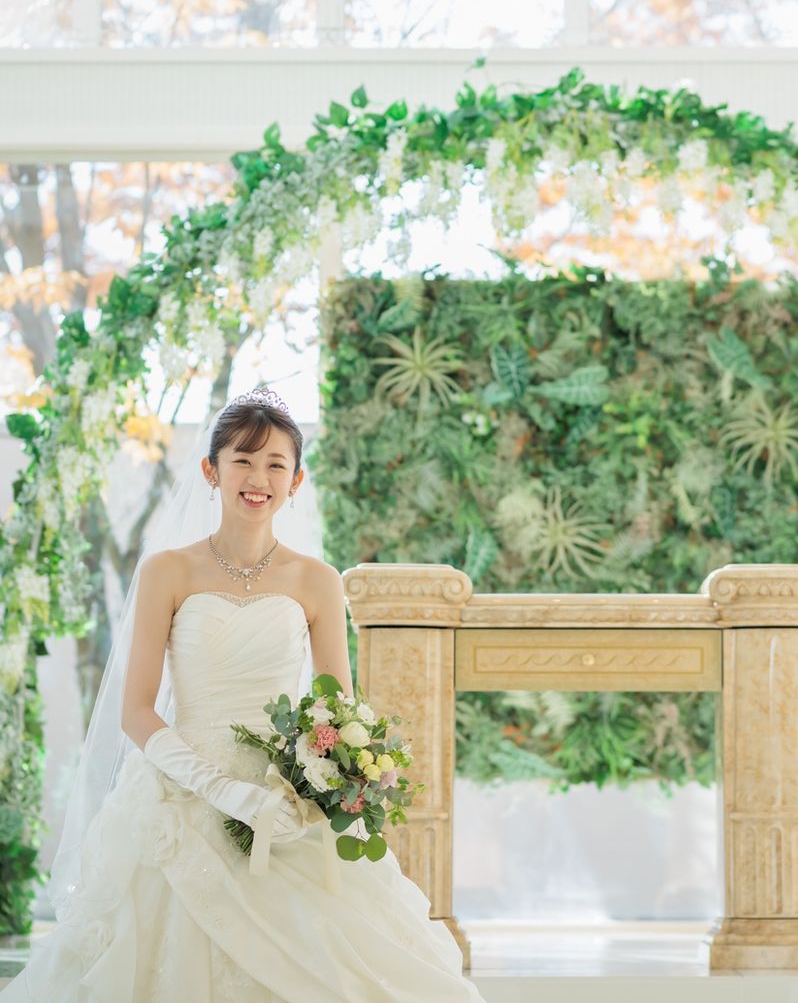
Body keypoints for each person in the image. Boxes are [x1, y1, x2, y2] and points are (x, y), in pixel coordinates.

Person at [3, 390, 485, 1002]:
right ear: (212, 470)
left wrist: (324, 785)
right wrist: (222, 789)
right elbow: (136, 711)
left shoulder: (317, 580)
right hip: (181, 789)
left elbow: (337, 710)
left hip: (284, 793)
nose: (259, 478)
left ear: (296, 481)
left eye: (276, 464)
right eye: (243, 460)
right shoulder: (167, 570)